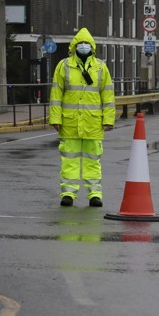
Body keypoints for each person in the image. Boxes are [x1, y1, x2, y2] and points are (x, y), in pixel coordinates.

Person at [49, 28, 115, 207]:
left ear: (92, 47)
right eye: (80, 44)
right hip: (70, 123)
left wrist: (108, 119)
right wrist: (55, 119)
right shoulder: (64, 66)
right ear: (73, 47)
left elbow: (107, 95)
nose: (83, 47)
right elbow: (56, 94)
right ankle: (68, 193)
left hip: (93, 123)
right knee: (69, 160)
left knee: (92, 161)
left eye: (86, 44)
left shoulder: (100, 67)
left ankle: (94, 194)